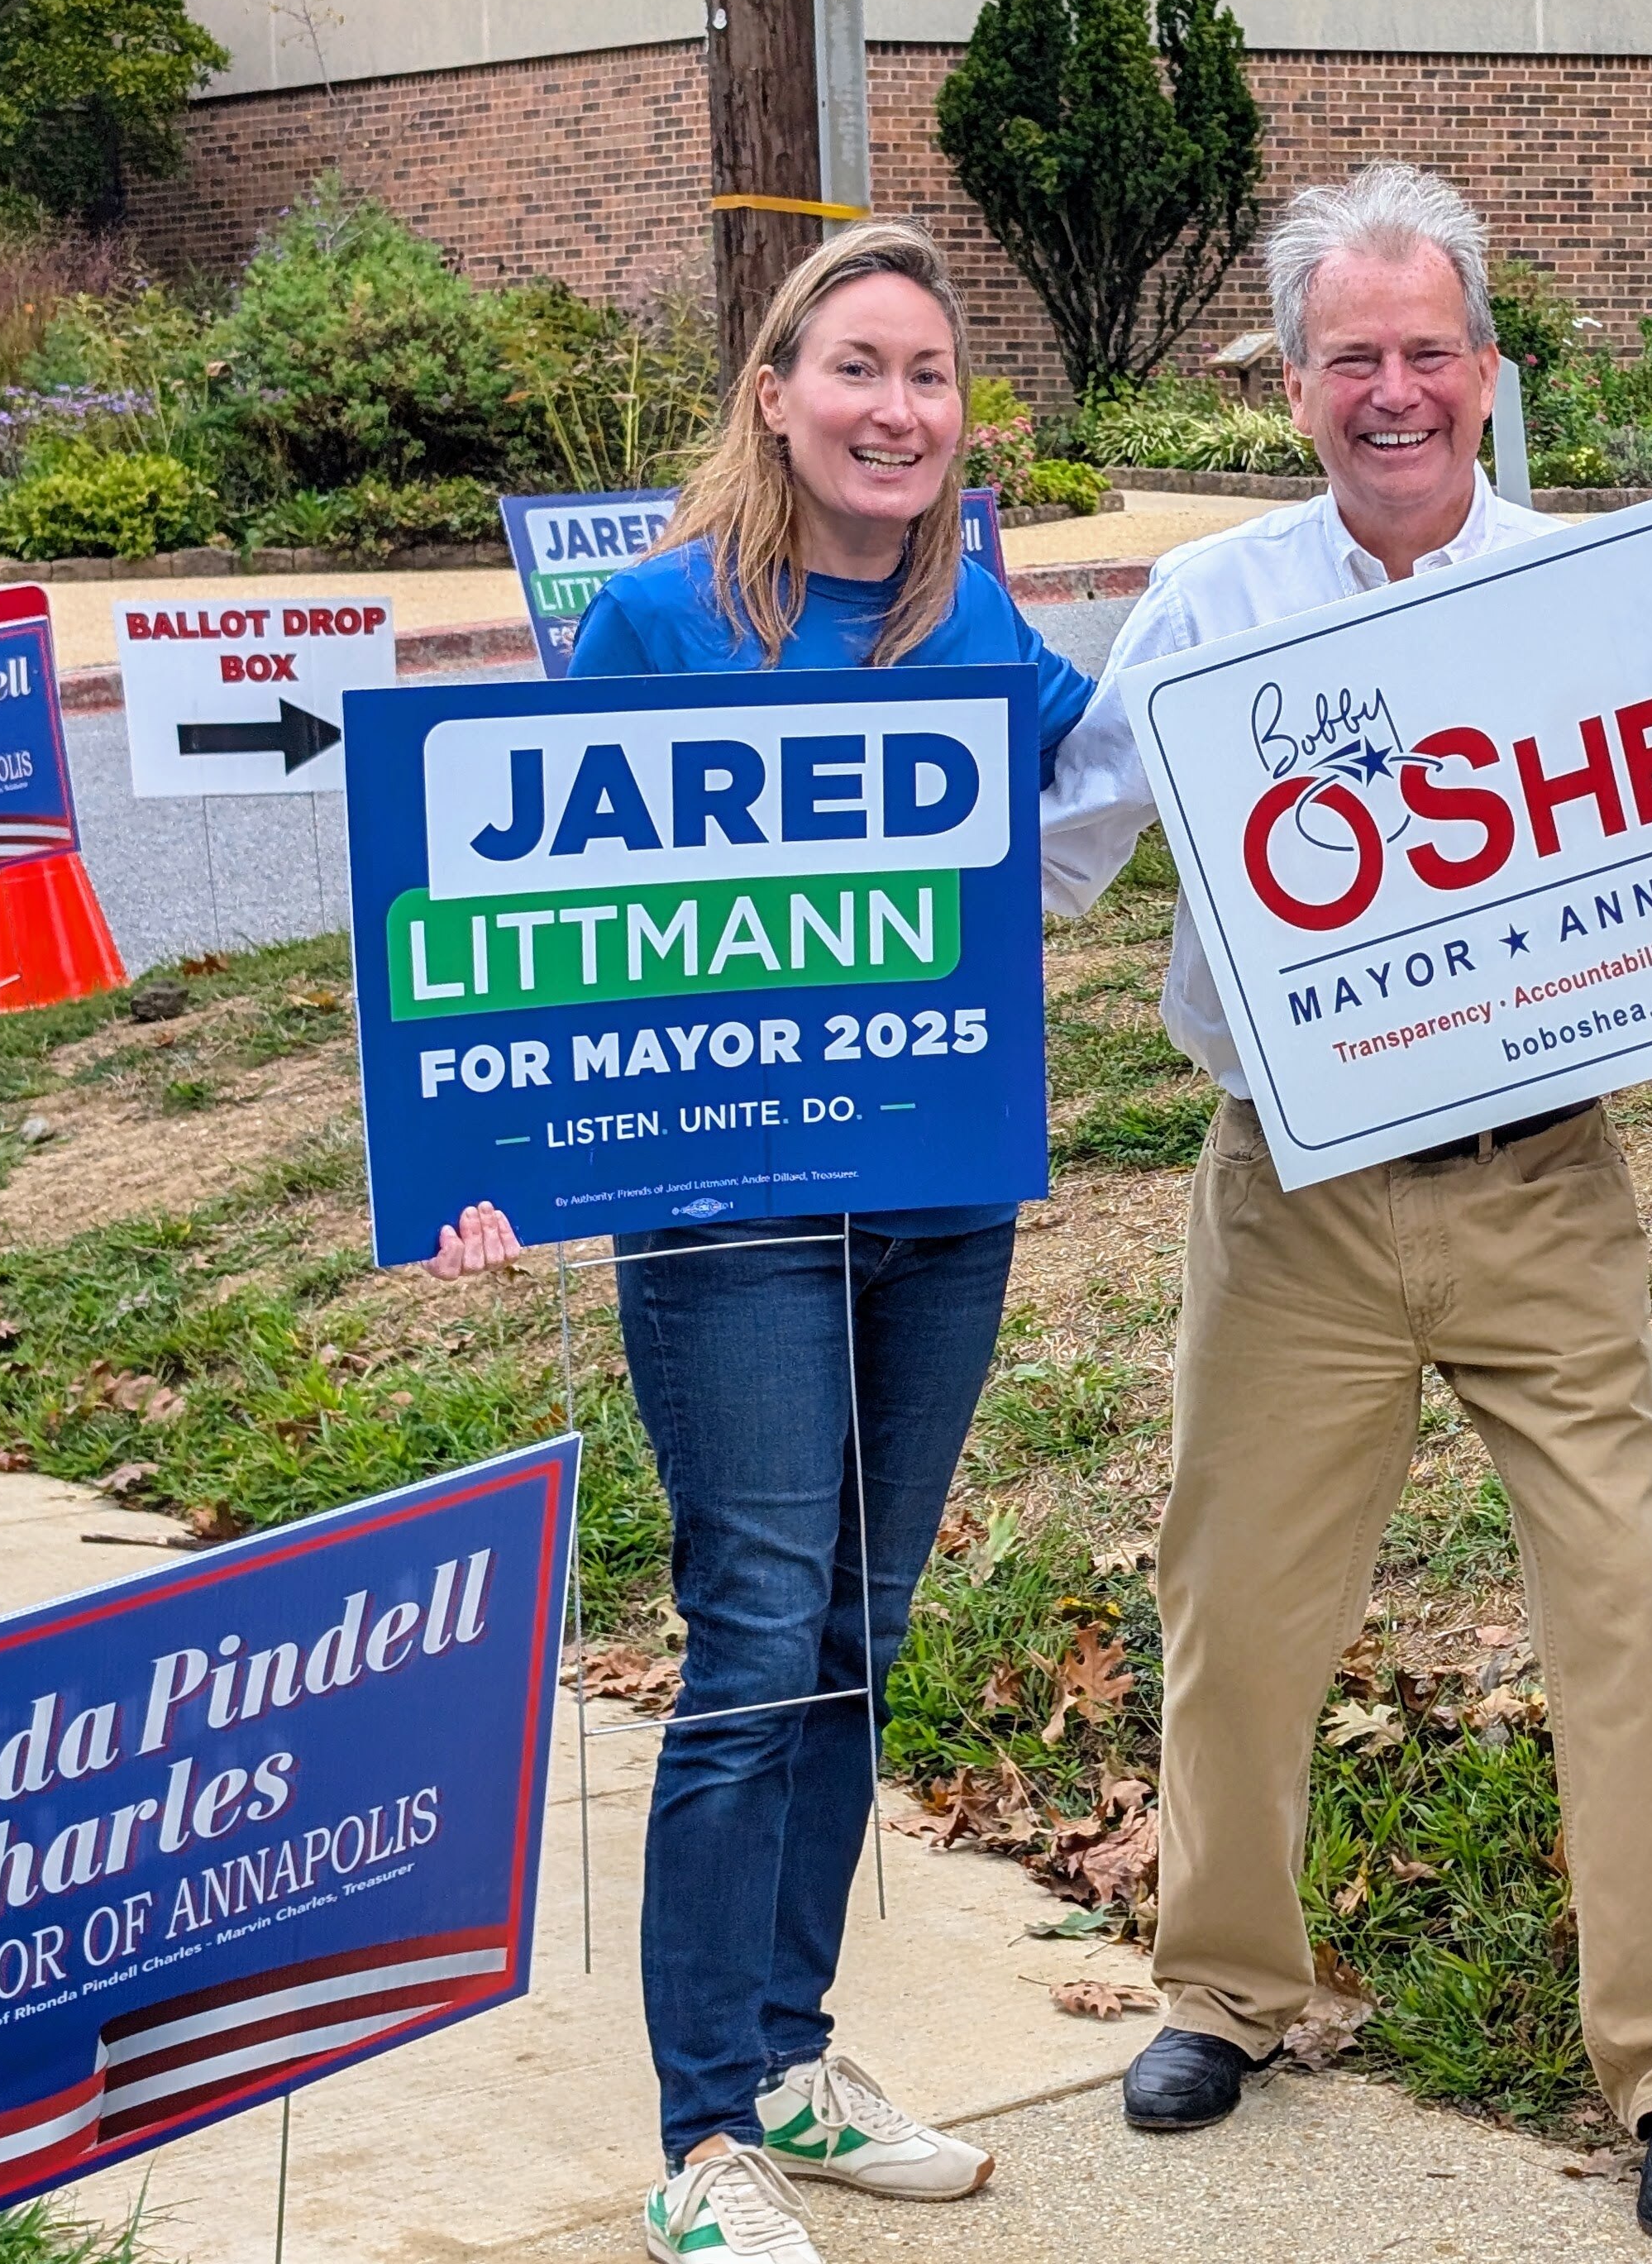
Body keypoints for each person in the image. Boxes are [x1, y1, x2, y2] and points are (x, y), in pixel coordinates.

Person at [1038, 165, 1652, 2240]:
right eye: (1348, 357)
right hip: (1290, 1194)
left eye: (1426, 352)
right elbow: (1044, 859)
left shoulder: (1595, 590)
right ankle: (1227, 1987)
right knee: (1236, 1604)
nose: (1392, 391)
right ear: (1291, 389)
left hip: (1544, 1183)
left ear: (1486, 371)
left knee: (1624, 1607)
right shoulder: (1208, 611)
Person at [427, 220, 1098, 2264]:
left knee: (858, 1646)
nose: (897, 409)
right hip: (730, 1233)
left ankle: (795, 2059)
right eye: (859, 369)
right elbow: (522, 913)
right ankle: (705, 2130)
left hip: (938, 1216)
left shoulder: (969, 619)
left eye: (932, 378)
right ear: (780, 398)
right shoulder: (650, 627)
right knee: (753, 1640)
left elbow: (1147, 775)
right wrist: (488, 1154)